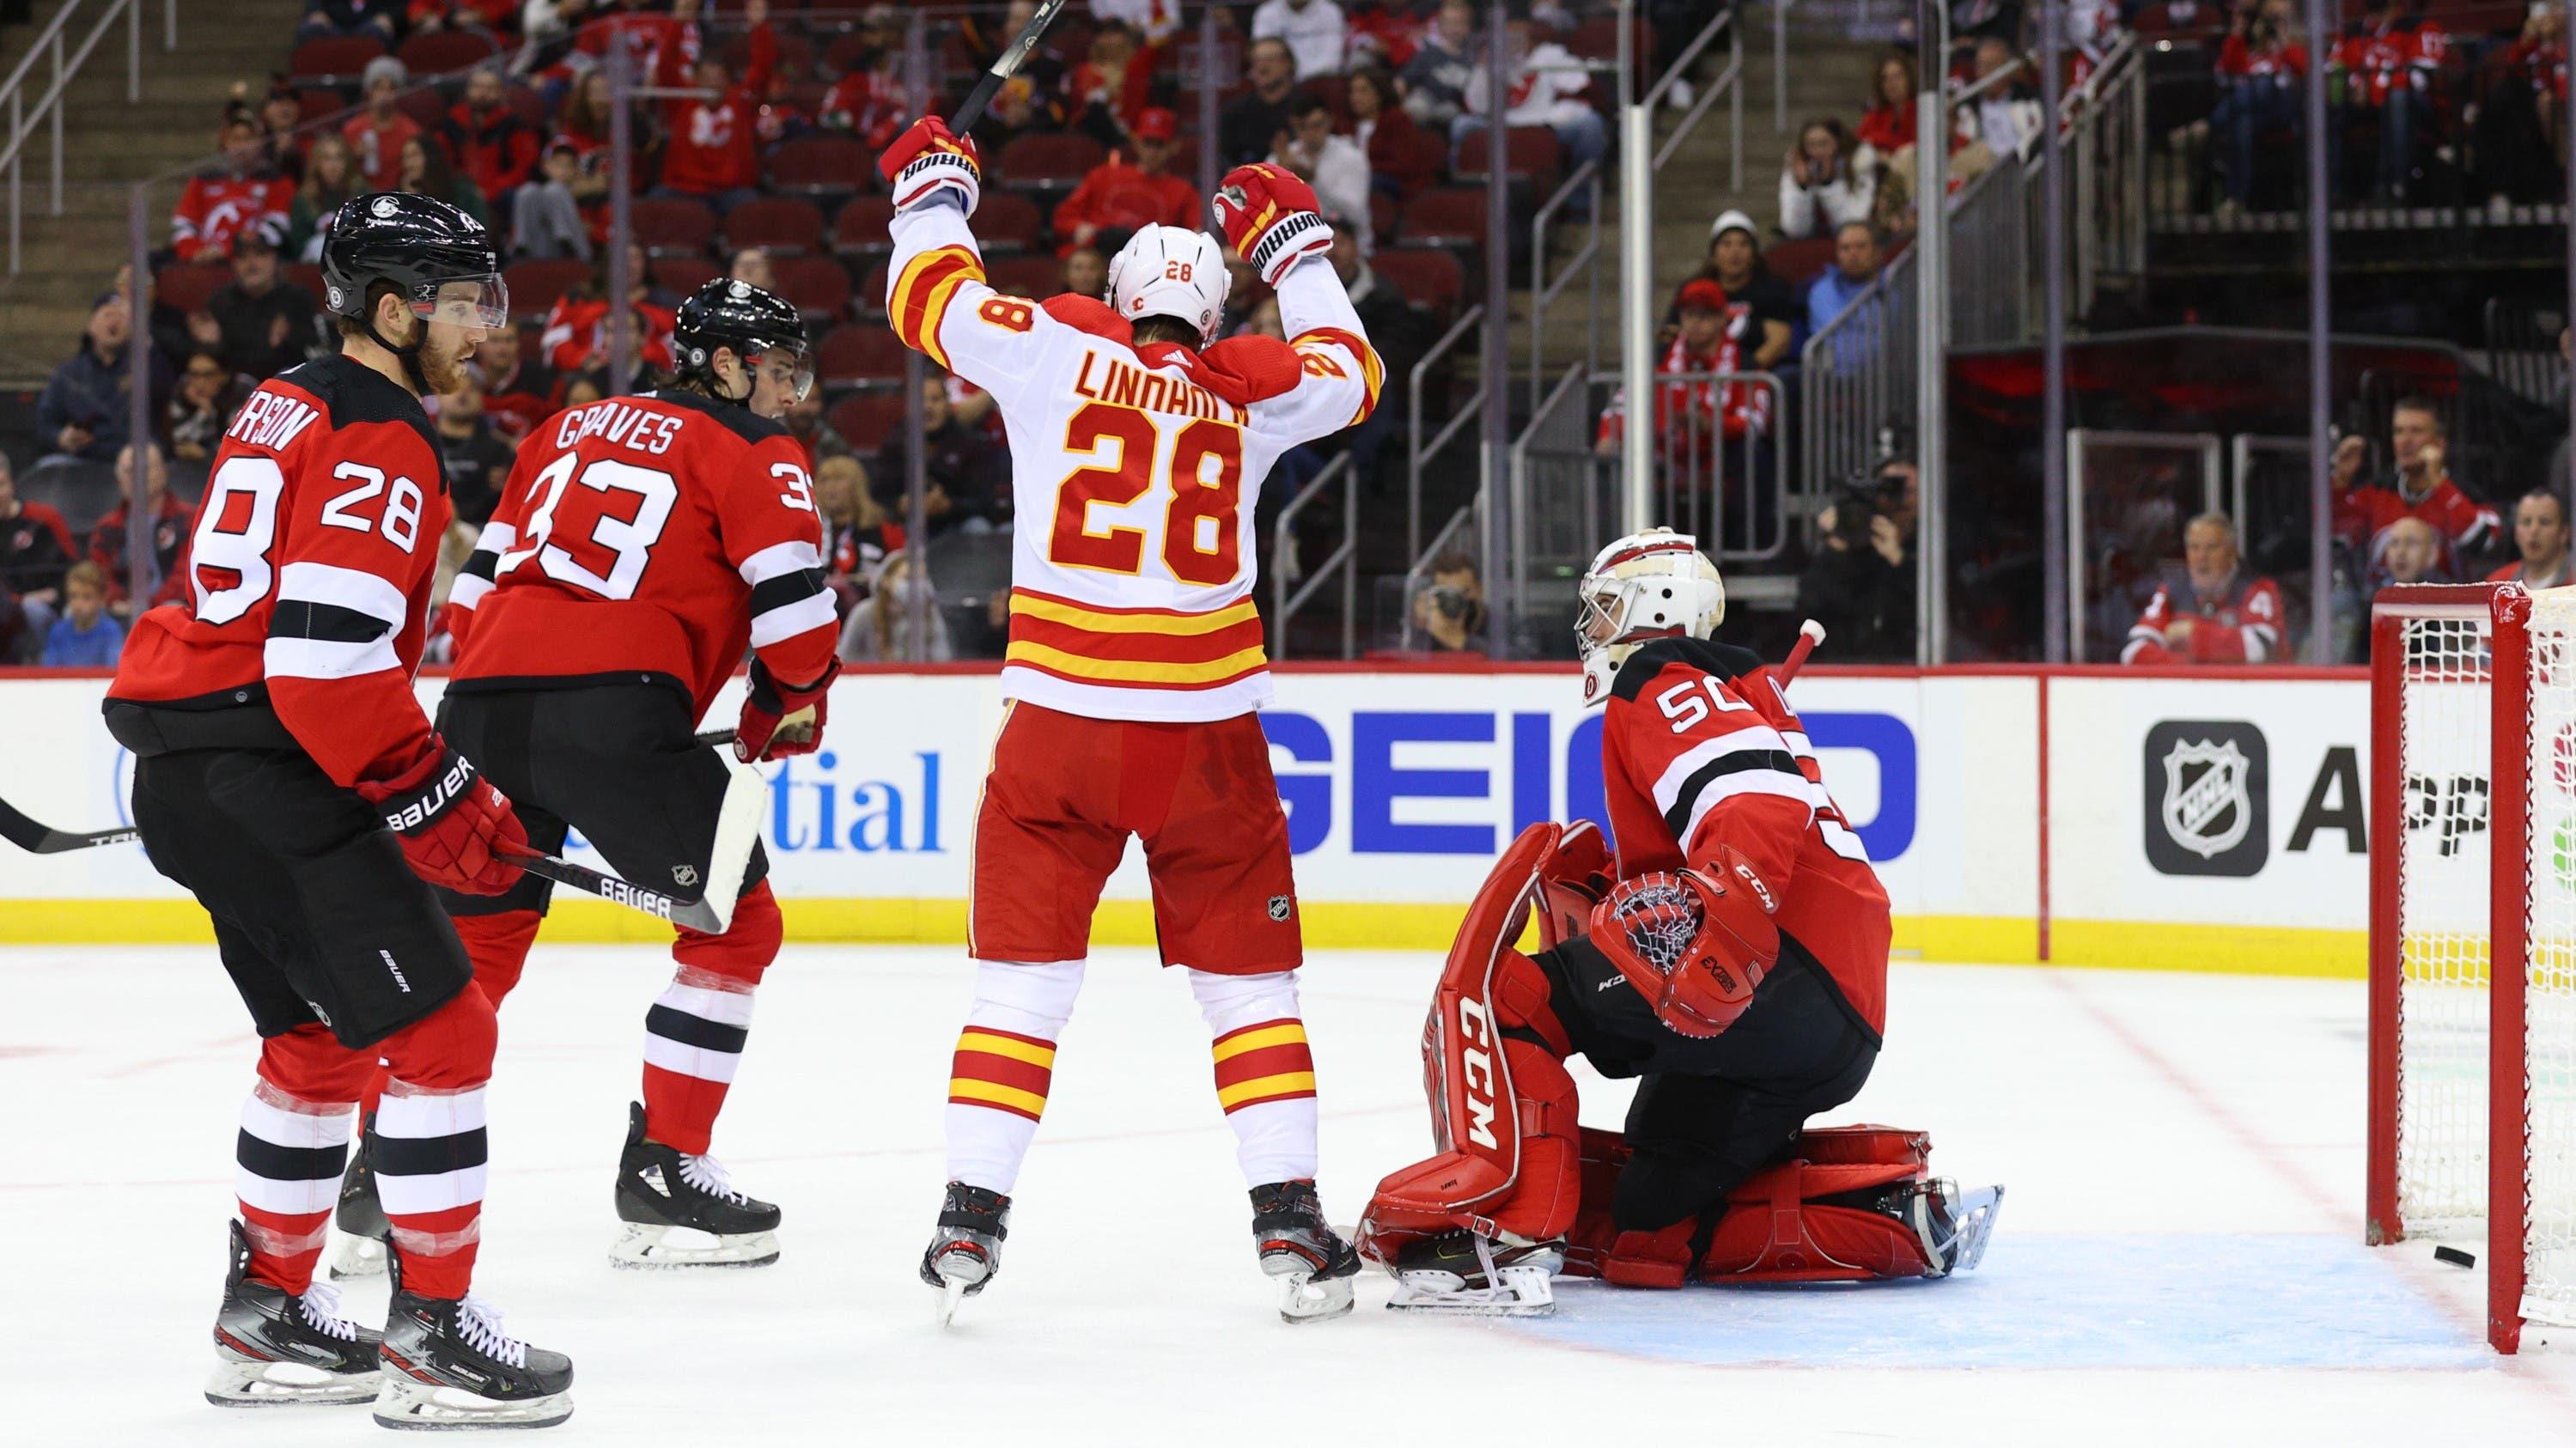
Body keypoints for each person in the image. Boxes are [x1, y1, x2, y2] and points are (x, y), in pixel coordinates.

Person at [879, 119, 1382, 1322]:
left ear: (1116, 293)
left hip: (1054, 722)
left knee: (1018, 991)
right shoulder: (1243, 387)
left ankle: (967, 1216)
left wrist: (931, 188)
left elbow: (925, 295)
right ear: (1211, 314)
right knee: (1248, 994)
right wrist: (1298, 250)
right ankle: (1289, 1227)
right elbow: (1353, 371)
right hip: (1204, 733)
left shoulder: (1052, 345)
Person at [102, 192, 573, 1428]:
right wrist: (432, 785)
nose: (488, 326)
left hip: (200, 767)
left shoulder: (291, 393)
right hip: (272, 767)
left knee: (318, 1043)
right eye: (466, 302)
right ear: (393, 308)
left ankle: (266, 1312)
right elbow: (324, 660)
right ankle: (430, 1339)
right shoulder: (381, 430)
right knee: (446, 1034)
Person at [1358, 527, 1997, 1311]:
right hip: (1838, 1019)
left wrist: (1729, 934)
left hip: (1770, 968)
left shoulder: (1659, 675)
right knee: (1649, 1224)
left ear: (1653, 608)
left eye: (1602, 608)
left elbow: (1757, 804)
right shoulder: (1737, 694)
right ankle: (1889, 1218)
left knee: (1509, 1001)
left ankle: (1502, 1235)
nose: (1590, 631)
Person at [400, 275, 837, 1274]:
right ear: (723, 366)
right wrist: (785, 700)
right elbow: (800, 624)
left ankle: (383, 1180)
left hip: (480, 702)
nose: (783, 393)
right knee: (735, 922)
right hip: (617, 704)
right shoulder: (754, 446)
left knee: (478, 946)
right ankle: (667, 1172)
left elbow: (471, 593)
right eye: (771, 371)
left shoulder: (564, 426)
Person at [652, 0, 777, 213]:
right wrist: (679, 23)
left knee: (753, 207)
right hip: (684, 188)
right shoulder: (683, 99)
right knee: (656, 201)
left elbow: (762, 68)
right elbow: (665, 67)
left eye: (718, 79)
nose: (712, 85)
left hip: (730, 191)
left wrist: (759, 27)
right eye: (706, 79)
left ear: (729, 82)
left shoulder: (740, 100)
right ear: (695, 80)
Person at [2339, 396, 2500, 560]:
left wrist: (2439, 483)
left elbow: (2483, 542)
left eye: (2416, 431)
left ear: (2439, 443)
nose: (2405, 440)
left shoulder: (2468, 495)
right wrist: (2341, 481)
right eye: (2398, 431)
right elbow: (2335, 534)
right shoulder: (2376, 492)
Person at [1456, 9, 1606, 185]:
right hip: (1501, 122)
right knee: (1461, 125)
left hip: (1543, 121)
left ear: (1530, 34)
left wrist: (1544, 66)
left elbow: (1579, 81)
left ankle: (1580, 201)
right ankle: (1469, 191)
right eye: (1509, 34)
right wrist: (1484, 68)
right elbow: (1479, 106)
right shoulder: (1490, 60)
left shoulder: (1549, 55)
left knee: (1591, 124)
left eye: (1520, 34)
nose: (1514, 39)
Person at [1795, 455, 1918, 661]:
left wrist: (1899, 561)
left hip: (1902, 661)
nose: (1900, 499)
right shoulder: (1849, 545)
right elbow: (1810, 615)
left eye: (1908, 491)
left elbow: (1933, 619)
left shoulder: (1936, 546)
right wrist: (1835, 550)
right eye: (1890, 489)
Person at [2120, 512, 2286, 664]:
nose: (2201, 557)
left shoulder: (2258, 589)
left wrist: (2192, 633)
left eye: (2212, 548)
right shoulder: (2171, 590)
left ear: (2231, 553)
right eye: (2194, 547)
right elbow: (2133, 651)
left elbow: (2261, 649)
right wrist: (2190, 668)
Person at [2330, 0, 2445, 205]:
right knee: (2328, 106)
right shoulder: (2354, 30)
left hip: (2412, 103)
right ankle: (2332, 190)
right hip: (2364, 101)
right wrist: (2353, 85)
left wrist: (2374, 86)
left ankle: (2393, 187)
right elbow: (2334, 68)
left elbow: (2420, 79)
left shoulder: (2418, 26)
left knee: (2398, 99)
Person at [39, 291, 170, 465]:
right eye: (108, 315)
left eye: (123, 316)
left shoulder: (147, 364)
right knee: (50, 465)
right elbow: (44, 422)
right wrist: (62, 437)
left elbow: (166, 386)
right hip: (83, 460)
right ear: (91, 325)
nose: (115, 321)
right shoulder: (70, 372)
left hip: (135, 462)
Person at [868, 375, 1009, 534]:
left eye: (935, 399)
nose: (927, 407)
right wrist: (900, 504)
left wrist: (948, 505)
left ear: (948, 404)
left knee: (978, 527)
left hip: (957, 526)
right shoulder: (895, 442)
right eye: (920, 399)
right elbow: (878, 494)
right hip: (908, 525)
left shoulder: (970, 443)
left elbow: (984, 501)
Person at [1051, 106, 1203, 254]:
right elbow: (1063, 217)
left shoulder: (1184, 192)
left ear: (1174, 146)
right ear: (1136, 142)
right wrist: (1079, 228)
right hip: (1098, 256)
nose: (1152, 152)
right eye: (1147, 142)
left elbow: (1196, 239)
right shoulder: (1103, 175)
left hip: (1148, 265)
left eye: (1159, 145)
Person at [2208, 0, 2310, 214]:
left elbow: (2303, 68)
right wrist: (2237, 33)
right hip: (2255, 112)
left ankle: (2211, 123)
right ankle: (2237, 198)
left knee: (2262, 84)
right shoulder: (2251, 51)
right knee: (2242, 124)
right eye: (2269, 20)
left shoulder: (2291, 46)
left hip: (2284, 108)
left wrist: (2283, 40)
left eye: (2278, 19)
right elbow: (2227, 69)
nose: (2271, 24)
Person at [1678, 210, 1795, 370]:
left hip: (1753, 374)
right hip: (1701, 372)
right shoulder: (1693, 289)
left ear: (1754, 254)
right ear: (1713, 254)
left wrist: (1743, 371)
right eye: (1726, 244)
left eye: (1743, 244)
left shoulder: (1773, 289)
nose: (1735, 252)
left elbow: (1779, 340)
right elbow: (1673, 331)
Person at [173, 113, 297, 263]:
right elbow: (183, 224)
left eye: (248, 139)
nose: (241, 146)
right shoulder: (202, 181)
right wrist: (196, 251)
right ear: (225, 144)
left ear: (261, 143)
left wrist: (233, 253)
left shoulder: (277, 182)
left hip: (254, 263)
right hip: (204, 262)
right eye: (235, 139)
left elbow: (276, 226)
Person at [89, 441, 192, 618]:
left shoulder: (189, 519)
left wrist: (149, 606)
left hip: (171, 611)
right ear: (119, 478)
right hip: (121, 610)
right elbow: (99, 573)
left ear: (164, 472)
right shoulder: (108, 526)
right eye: (129, 471)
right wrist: (116, 601)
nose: (137, 476)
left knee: (173, 610)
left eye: (145, 469)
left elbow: (187, 574)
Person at [208, 231, 320, 382]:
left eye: (260, 255)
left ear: (274, 259)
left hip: (288, 389)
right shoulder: (221, 301)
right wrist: (211, 344)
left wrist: (288, 339)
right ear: (234, 264)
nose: (251, 264)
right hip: (235, 392)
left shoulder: (298, 299)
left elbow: (315, 352)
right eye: (242, 257)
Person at [0, 454, 77, 662]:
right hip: (7, 611)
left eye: (1, 484)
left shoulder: (44, 518)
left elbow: (75, 571)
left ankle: (46, 665)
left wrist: (56, 593)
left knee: (33, 608)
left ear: (12, 484)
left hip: (49, 608)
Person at [1274, 93, 1373, 248]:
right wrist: (1278, 182)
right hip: (1297, 246)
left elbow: (1355, 215)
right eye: (1302, 127)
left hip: (1347, 245)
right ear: (1293, 125)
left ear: (1329, 122)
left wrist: (1313, 180)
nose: (1310, 134)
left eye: (1316, 125)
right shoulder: (1282, 158)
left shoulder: (1351, 157)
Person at [443, 66, 544, 208]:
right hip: (462, 191)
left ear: (501, 93)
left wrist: (492, 190)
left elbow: (525, 167)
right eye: (477, 87)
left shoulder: (513, 124)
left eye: (490, 88)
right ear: (467, 91)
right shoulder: (452, 123)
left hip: (502, 194)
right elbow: (443, 163)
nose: (483, 93)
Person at [429, 370, 516, 527]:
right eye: (455, 386)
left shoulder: (497, 448)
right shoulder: (422, 441)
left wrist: (457, 515)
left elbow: (492, 503)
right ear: (438, 396)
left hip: (476, 529)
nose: (463, 393)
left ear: (483, 399)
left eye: (472, 389)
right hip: (427, 523)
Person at [837, 546, 954, 660]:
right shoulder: (865, 612)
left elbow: (942, 657)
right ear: (886, 581)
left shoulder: (929, 613)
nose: (916, 586)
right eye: (907, 578)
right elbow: (845, 658)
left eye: (921, 578)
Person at [1348, 64, 1435, 199]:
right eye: (1353, 91)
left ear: (1379, 93)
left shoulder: (1397, 120)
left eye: (1363, 91)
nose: (1355, 97)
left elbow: (1405, 165)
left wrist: (1364, 166)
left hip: (1396, 186)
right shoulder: (1348, 125)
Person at [1778, 119, 1874, 240]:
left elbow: (1854, 225)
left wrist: (1828, 184)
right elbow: (1794, 230)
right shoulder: (1797, 168)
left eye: (1823, 144)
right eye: (1811, 145)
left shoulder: (1860, 165)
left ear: (1837, 143)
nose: (1818, 151)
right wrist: (1802, 187)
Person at [1806, 221, 1884, 367]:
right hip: (1838, 380)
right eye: (1845, 248)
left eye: (1861, 247)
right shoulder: (1823, 291)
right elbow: (1838, 343)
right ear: (1837, 254)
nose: (1853, 254)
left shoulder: (1894, 286)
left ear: (1878, 252)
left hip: (1889, 378)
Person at [343, 55, 423, 193]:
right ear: (369, 92)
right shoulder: (352, 129)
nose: (385, 95)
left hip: (399, 194)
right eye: (379, 88)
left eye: (390, 89)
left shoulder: (411, 130)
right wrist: (353, 155)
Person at [1220, 37, 1305, 167]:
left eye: (1270, 60)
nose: (1262, 67)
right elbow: (1224, 158)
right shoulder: (1236, 112)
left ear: (1288, 64)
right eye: (1256, 61)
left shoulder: (1306, 107)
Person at [1399, 0, 1478, 131]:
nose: (1454, 29)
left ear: (1468, 27)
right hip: (1423, 102)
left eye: (1459, 23)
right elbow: (1401, 82)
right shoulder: (1428, 54)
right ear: (1440, 26)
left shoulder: (1472, 62)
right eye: (1449, 23)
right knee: (1417, 106)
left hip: (1452, 112)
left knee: (1452, 113)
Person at [286, 133, 364, 263]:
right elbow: (298, 245)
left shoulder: (361, 194)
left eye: (339, 158)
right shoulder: (303, 199)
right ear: (317, 163)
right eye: (327, 159)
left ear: (347, 162)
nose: (333, 165)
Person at [511, 143, 595, 260]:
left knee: (555, 190)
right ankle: (521, 247)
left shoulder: (590, 194)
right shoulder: (538, 194)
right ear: (545, 166)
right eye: (558, 165)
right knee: (529, 191)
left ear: (576, 169)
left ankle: (566, 243)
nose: (563, 171)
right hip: (541, 253)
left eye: (569, 165)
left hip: (578, 255)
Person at [398, 134, 490, 230]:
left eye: (414, 156)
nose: (408, 164)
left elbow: (478, 230)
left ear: (431, 156)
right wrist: (411, 200)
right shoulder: (400, 195)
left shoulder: (462, 191)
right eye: (405, 157)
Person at [40, 560, 124, 666]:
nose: (78, 604)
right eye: (73, 596)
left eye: (87, 597)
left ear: (101, 599)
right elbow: (49, 675)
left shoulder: (111, 632)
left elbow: (113, 672)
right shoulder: (58, 631)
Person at [2488, 487, 2572, 590]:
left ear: (2564, 533)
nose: (2533, 531)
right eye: (2526, 522)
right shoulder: (2497, 585)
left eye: (2544, 522)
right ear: (2516, 533)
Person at [1409, 551, 1486, 650]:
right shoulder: (1428, 623)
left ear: (1479, 590)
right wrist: (1419, 624)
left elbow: (1503, 655)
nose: (1454, 601)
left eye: (1463, 591)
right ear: (1432, 594)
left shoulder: (1497, 624)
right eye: (1445, 593)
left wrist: (1458, 639)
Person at [1251, 0, 1348, 78]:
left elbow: (1332, 60)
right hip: (1281, 82)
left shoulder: (1330, 11)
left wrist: (1301, 77)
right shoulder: (1266, 13)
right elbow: (1262, 55)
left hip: (1320, 80)